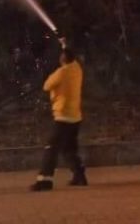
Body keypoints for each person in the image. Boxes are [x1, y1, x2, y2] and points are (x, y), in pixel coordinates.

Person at [30, 37, 87, 191]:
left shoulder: (61, 72)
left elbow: (47, 86)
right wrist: (65, 44)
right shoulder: (77, 69)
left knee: (51, 148)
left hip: (63, 117)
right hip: (75, 117)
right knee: (69, 149)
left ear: (62, 58)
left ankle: (44, 180)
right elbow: (69, 55)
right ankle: (79, 176)